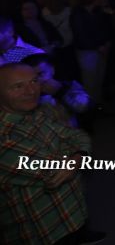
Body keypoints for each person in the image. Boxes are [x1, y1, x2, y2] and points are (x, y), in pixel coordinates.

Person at [0, 62, 104, 244]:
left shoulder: (38, 111)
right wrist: (75, 155)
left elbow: (78, 136)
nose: (31, 91)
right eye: (18, 86)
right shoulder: (4, 137)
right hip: (43, 231)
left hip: (71, 215)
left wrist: (76, 156)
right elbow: (53, 170)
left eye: (34, 81)